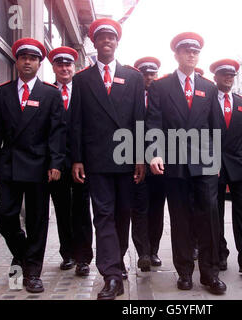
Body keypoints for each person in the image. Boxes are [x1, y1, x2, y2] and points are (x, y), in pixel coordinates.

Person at [146, 32, 226, 295]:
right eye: (186, 51)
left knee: (209, 219)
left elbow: (216, 126)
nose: (191, 55)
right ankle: (184, 273)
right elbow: (154, 122)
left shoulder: (209, 87)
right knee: (180, 219)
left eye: (195, 52)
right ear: (177, 55)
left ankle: (210, 274)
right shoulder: (161, 86)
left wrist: (215, 160)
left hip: (204, 163)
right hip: (175, 162)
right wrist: (154, 153)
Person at [71, 18, 145, 300]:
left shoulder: (134, 77)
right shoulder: (82, 79)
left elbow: (140, 118)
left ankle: (117, 256)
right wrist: (77, 159)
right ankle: (111, 275)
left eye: (111, 38)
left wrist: (140, 156)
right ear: (94, 43)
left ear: (117, 42)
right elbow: (75, 122)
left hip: (127, 158)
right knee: (102, 215)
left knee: (122, 214)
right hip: (97, 159)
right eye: (101, 38)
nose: (106, 42)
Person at [0, 38, 66, 293]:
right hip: (8, 163)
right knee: (4, 214)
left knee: (37, 220)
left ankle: (32, 272)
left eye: (33, 58)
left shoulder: (51, 93)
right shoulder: (2, 92)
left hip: (39, 164)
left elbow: (57, 132)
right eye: (23, 58)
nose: (28, 62)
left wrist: (56, 162)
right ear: (17, 62)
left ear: (39, 63)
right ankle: (21, 251)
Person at [210, 59, 242, 275]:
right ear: (215, 77)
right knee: (215, 213)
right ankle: (219, 255)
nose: (228, 78)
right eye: (224, 75)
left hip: (240, 166)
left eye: (231, 75)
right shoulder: (207, 101)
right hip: (214, 166)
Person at [47, 47, 93, 276]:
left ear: (74, 68)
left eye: (68, 65)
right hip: (56, 163)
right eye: (60, 65)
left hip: (81, 161)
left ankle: (84, 257)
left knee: (82, 210)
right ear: (53, 68)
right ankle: (68, 254)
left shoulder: (84, 91)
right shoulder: (46, 92)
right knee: (62, 209)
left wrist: (83, 158)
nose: (64, 69)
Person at [131, 57, 166, 270]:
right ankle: (142, 252)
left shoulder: (163, 97)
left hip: (159, 162)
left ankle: (154, 250)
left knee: (157, 209)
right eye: (145, 74)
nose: (150, 78)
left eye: (153, 74)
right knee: (139, 208)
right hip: (136, 161)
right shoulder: (132, 97)